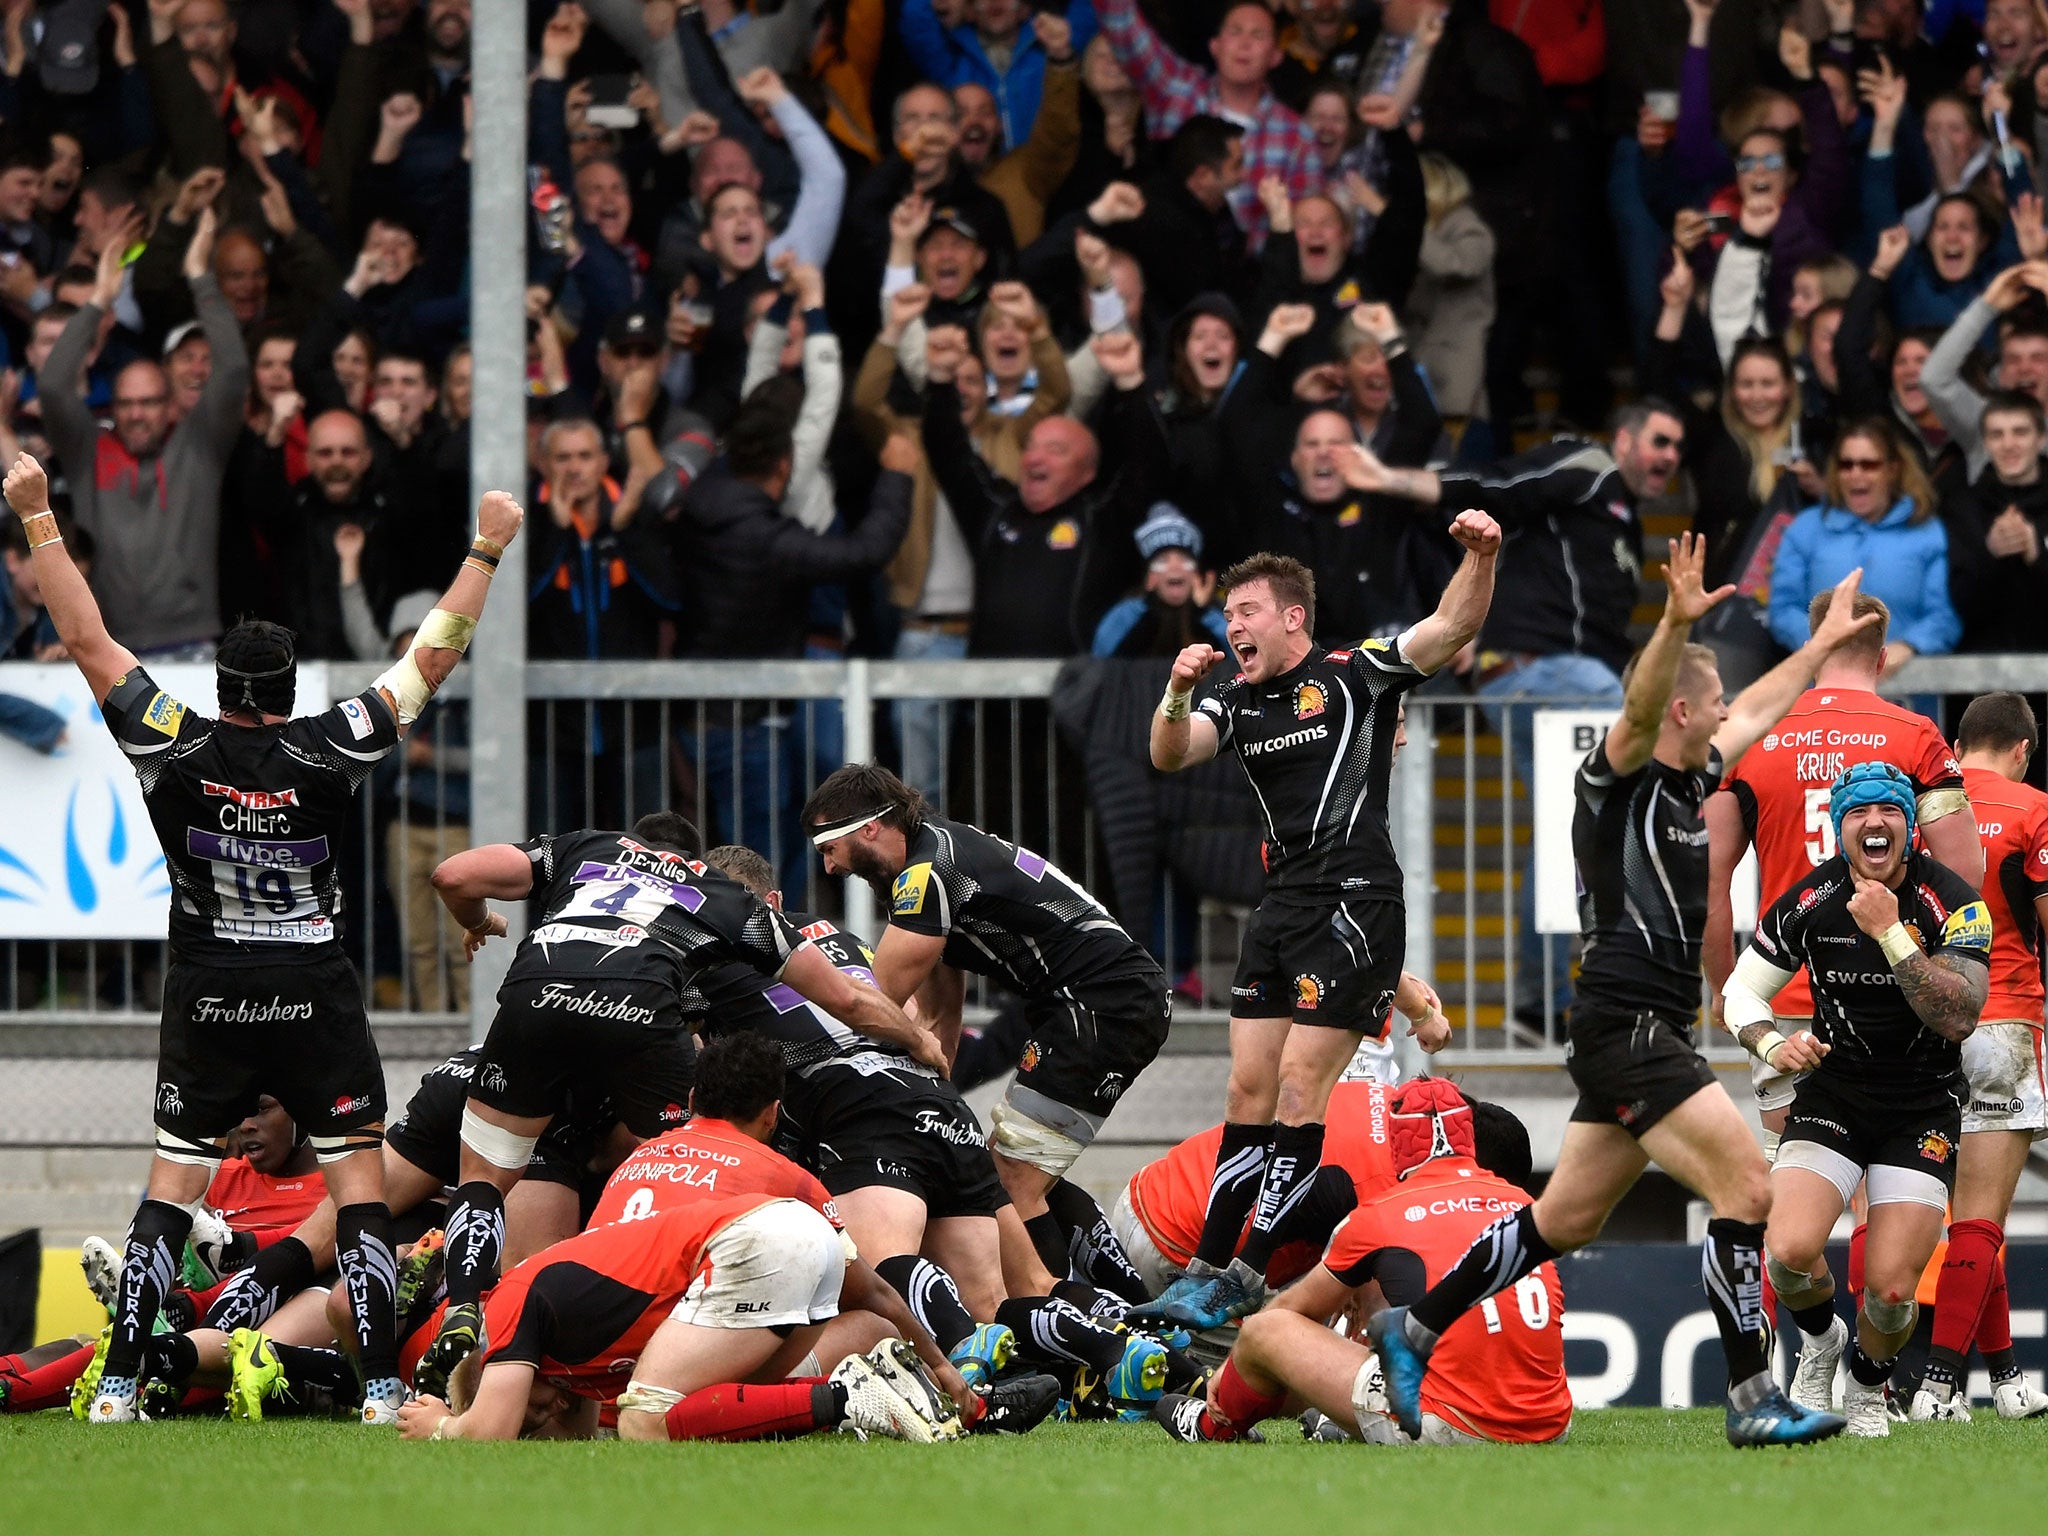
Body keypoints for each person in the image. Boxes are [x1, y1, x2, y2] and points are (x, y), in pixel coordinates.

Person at [1, 446, 522, 1427]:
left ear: (222, 687)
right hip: (313, 997)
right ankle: (374, 1392)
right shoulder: (331, 746)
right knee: (359, 1196)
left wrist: (36, 516)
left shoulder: (174, 741)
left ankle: (115, 1387)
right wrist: (486, 547)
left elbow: (84, 637)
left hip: (207, 993)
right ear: (286, 693)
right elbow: (432, 656)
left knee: (169, 1190)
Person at [1371, 538, 1883, 1450]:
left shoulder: (1690, 781)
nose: (1730, 714)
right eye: (1713, 701)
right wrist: (1675, 620)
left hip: (1630, 1029)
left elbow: (1763, 705)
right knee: (1748, 1187)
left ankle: (1407, 1330)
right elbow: (1643, 704)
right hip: (1630, 1025)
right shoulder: (1616, 779)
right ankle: (1752, 1397)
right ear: (1682, 708)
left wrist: (1820, 650)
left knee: (1560, 1220)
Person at [416, 814, 945, 1398]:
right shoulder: (722, 896)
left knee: (485, 1177)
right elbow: (846, 997)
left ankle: (465, 1305)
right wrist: (919, 1038)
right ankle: (672, 1330)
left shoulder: (587, 847)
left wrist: (479, 923)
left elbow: (452, 874)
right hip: (636, 1007)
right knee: (697, 1158)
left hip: (536, 992)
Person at [1136, 515, 1498, 1332]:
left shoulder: (1354, 676)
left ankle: (1247, 1272)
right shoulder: (1234, 699)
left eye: (1248, 612)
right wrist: (1178, 690)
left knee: (1302, 1087)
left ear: (1292, 616)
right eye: (1227, 616)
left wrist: (1482, 557)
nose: (1232, 628)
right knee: (1248, 1089)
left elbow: (1454, 626)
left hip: (1355, 900)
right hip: (1282, 908)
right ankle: (1205, 1270)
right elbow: (1169, 753)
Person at [1346, 399, 1686, 1025]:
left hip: (1562, 677)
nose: (1668, 456)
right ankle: (1640, 979)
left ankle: (1540, 1002)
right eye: (1659, 440)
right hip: (1545, 673)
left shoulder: (1619, 517)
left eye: (1675, 448)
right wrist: (1388, 479)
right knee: (1650, 752)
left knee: (1570, 831)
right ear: (1624, 437)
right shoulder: (1589, 465)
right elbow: (1493, 488)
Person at [802, 762, 1169, 1283]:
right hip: (1091, 1001)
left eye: (828, 849)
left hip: (1098, 1004)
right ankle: (1110, 1298)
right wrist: (938, 1100)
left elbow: (869, 1004)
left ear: (868, 828)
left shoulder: (925, 876)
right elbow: (939, 1012)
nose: (830, 869)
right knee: (1004, 1173)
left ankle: (1069, 1317)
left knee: (1010, 1182)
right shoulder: (928, 860)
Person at [1723, 762, 1993, 1438]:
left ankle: (1869, 1386)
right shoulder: (1812, 898)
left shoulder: (1954, 902)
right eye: (1857, 812)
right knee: (1785, 1251)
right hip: (1835, 1096)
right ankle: (1821, 1341)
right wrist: (1770, 1046)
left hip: (1922, 1107)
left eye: (1889, 811)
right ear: (1839, 826)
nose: (1874, 822)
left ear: (1910, 826)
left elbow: (1959, 1015)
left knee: (1894, 1291)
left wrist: (1890, 930)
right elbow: (1737, 994)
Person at [1705, 590, 1980, 1157]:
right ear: (1882, 659)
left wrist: (1725, 987)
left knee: (1795, 1175)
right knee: (1889, 1177)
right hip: (1894, 986)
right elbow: (1963, 876)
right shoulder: (1916, 735)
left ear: (1812, 647)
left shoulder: (1750, 735)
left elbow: (1710, 884)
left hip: (1781, 987)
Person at [1152, 1082, 1570, 1447]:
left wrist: (1225, 1377)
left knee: (1266, 1330)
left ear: (1400, 1144)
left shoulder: (1383, 1210)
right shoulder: (1525, 1205)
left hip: (1446, 1420)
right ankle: (1339, 1419)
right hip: (1548, 1421)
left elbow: (1288, 1320)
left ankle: (1213, 1424)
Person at [395, 1195, 963, 1445]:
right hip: (792, 1225)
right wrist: (949, 1373)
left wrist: (444, 1425)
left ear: (501, 1368)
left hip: (751, 1243)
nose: (557, 1409)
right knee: (717, 1402)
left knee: (646, 1421)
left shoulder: (513, 1302)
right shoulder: (575, 1363)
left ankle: (852, 1398)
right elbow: (580, 1434)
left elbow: (489, 1431)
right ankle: (912, 1394)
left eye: (533, 1404)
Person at [1912, 693, 2048, 1422]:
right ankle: (1937, 1388)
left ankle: (2008, 1378)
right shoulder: (2034, 807)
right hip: (2003, 1022)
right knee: (1983, 1222)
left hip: (1927, 1025)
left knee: (1965, 1214)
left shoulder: (1920, 808)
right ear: (2023, 749)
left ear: (1960, 745)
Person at [41, 210, 248, 656]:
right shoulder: (88, 451)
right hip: (110, 646)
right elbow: (54, 386)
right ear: (112, 409)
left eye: (149, 402)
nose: (137, 415)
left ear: (170, 403)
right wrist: (98, 300)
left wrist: (199, 277)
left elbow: (231, 371)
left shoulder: (198, 447)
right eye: (127, 404)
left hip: (191, 644)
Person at [1767, 419, 1961, 663]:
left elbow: (1944, 614)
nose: (1855, 474)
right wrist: (1825, 645)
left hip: (1905, 686)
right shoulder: (1806, 528)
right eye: (1846, 464)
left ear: (1893, 469)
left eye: (1869, 465)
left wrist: (1908, 647)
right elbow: (1783, 609)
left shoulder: (1926, 531)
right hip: (1824, 684)